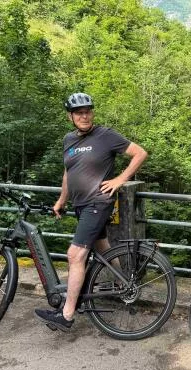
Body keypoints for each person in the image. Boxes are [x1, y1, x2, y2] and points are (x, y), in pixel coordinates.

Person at [35, 92, 148, 331]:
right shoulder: (68, 140)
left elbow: (140, 153)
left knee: (75, 255)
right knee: (103, 248)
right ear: (70, 116)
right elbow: (68, 173)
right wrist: (61, 200)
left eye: (87, 112)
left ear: (92, 113)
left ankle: (66, 315)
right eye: (79, 113)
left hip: (98, 203)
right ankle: (124, 285)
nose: (84, 116)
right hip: (80, 205)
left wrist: (120, 179)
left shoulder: (105, 135)